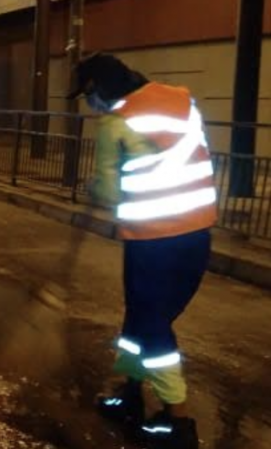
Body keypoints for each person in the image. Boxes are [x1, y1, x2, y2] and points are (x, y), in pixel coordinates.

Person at [70, 53, 217, 449]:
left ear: (96, 90)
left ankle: (178, 420)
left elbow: (108, 190)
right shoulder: (182, 99)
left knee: (152, 325)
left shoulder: (115, 122)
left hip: (151, 239)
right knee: (143, 315)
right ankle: (130, 393)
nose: (90, 106)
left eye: (87, 97)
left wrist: (95, 187)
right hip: (197, 232)